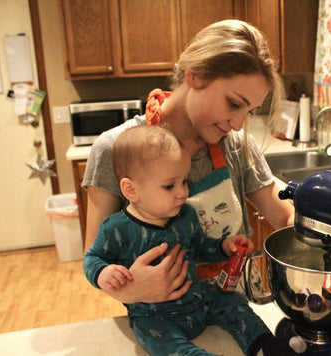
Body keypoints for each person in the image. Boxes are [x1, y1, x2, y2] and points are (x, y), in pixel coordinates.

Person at [82, 19, 294, 304]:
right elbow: (94, 257)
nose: (238, 124)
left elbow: (283, 216)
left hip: (238, 305)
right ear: (195, 75)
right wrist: (131, 289)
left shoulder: (236, 146)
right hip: (164, 320)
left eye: (249, 111)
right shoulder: (115, 149)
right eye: (234, 104)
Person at [84, 125, 300, 355]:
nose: (182, 193)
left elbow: (200, 248)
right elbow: (92, 258)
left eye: (184, 182)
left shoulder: (185, 215)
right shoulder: (116, 228)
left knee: (233, 303)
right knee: (162, 343)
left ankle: (265, 345)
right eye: (169, 186)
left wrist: (223, 247)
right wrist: (103, 273)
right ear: (131, 189)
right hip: (154, 315)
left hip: (199, 298)